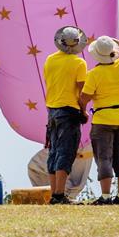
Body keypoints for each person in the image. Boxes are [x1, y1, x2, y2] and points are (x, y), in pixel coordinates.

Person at [80, 35, 119, 204]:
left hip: (102, 119)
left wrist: (83, 111)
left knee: (104, 158)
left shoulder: (93, 74)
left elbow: (84, 98)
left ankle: (105, 196)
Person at [43, 26, 88, 204]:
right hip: (69, 111)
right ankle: (60, 194)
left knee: (53, 151)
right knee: (66, 151)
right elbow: (82, 93)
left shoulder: (50, 60)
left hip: (52, 110)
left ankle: (54, 194)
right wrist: (83, 111)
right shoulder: (79, 63)